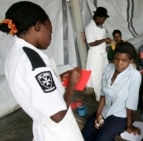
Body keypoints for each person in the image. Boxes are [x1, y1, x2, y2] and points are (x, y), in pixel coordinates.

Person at [0, 1, 84, 141]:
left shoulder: (14, 55)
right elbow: (58, 115)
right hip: (59, 133)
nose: (50, 38)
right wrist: (71, 85)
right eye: (50, 32)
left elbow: (33, 88)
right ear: (38, 26)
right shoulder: (35, 62)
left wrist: (55, 79)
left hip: (43, 128)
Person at [82, 42, 141, 141]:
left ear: (131, 61)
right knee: (84, 135)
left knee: (101, 139)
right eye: (116, 59)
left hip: (119, 115)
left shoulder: (134, 75)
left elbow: (131, 104)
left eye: (124, 60)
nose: (119, 63)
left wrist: (129, 125)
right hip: (105, 110)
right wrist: (98, 114)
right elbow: (103, 94)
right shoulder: (108, 68)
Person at [85, 7, 111, 102]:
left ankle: (105, 94)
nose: (103, 21)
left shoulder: (100, 27)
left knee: (105, 74)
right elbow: (91, 43)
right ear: (98, 17)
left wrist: (106, 42)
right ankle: (98, 97)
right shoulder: (89, 27)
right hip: (95, 55)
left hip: (103, 54)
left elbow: (100, 41)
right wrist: (104, 40)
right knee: (97, 76)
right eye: (103, 19)